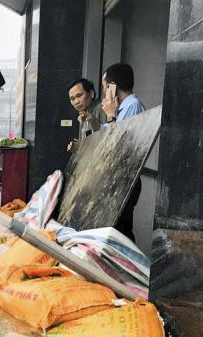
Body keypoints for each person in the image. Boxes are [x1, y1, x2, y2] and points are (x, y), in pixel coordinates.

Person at [101, 63, 146, 242]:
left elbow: (116, 147)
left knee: (121, 233)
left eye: (105, 88)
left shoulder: (132, 106)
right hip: (118, 178)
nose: (105, 93)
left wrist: (111, 116)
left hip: (125, 178)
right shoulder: (124, 108)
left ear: (113, 87)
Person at [66, 78, 106, 153]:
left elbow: (107, 137)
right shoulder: (83, 114)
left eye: (79, 95)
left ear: (91, 93)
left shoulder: (101, 108)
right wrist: (80, 146)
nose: (76, 102)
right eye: (72, 98)